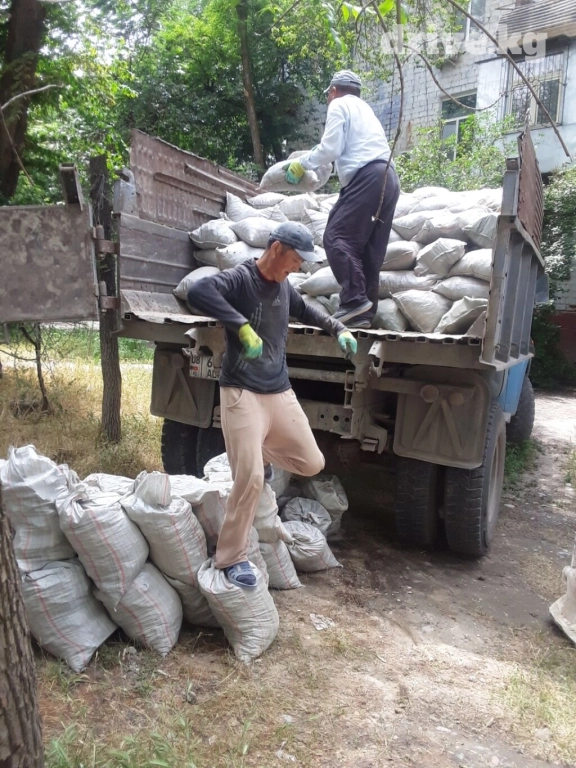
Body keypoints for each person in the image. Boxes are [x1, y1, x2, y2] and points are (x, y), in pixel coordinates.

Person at [187, 222, 357, 588]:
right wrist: (240, 326)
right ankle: (231, 558)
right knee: (249, 479)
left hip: (279, 391)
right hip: (242, 391)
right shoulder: (242, 278)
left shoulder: (284, 287)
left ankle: (253, 450)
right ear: (276, 249)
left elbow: (306, 310)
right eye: (294, 260)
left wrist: (338, 329)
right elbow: (199, 290)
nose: (297, 267)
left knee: (312, 462)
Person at [285, 69, 401, 328]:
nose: (328, 98)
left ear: (334, 90)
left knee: (335, 237)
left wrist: (302, 163)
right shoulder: (365, 111)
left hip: (367, 177)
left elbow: (330, 149)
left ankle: (354, 301)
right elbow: (338, 151)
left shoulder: (338, 105)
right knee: (369, 252)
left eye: (328, 94)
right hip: (389, 178)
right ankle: (363, 315)